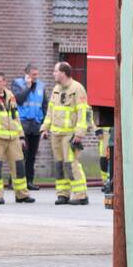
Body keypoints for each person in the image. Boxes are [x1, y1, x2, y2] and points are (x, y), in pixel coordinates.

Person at [0, 73, 34, 204]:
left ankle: (22, 195)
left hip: (13, 138)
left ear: (4, 82)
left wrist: (21, 136)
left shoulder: (10, 96)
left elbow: (16, 117)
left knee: (19, 167)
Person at [41, 61, 90, 205]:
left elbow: (84, 112)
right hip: (56, 133)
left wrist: (80, 133)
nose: (53, 74)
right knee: (59, 165)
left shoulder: (77, 88)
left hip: (70, 134)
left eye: (55, 71)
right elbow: (51, 110)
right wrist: (45, 128)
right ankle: (63, 194)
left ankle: (80, 195)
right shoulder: (56, 89)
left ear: (63, 73)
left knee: (71, 164)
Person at [12, 64, 49, 191]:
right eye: (33, 75)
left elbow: (44, 105)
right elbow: (18, 100)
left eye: (37, 74)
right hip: (22, 124)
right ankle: (15, 181)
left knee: (32, 155)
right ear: (26, 74)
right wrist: (28, 87)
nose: (35, 77)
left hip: (36, 124)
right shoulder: (17, 84)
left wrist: (44, 124)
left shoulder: (41, 86)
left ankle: (29, 181)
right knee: (21, 154)